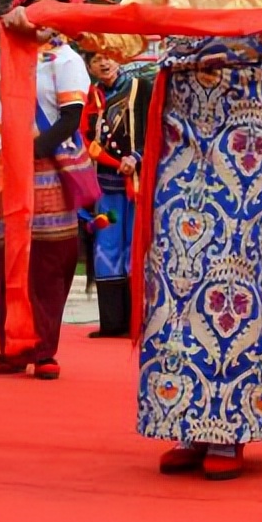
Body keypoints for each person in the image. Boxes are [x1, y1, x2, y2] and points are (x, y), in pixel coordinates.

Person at [7, 0, 262, 480]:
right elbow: (128, 31)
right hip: (181, 116)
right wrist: (57, 23)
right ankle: (185, 419)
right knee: (178, 261)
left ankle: (235, 422)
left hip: (246, 113)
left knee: (236, 261)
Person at [0, 0, 91, 381]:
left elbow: (71, 119)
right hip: (8, 167)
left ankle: (44, 350)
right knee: (9, 258)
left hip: (45, 168)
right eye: (31, 7)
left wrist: (32, 150)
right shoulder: (6, 52)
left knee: (47, 261)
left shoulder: (67, 59)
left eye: (48, 8)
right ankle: (12, 347)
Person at [81, 52, 151, 338]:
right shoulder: (90, 97)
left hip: (137, 183)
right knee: (106, 246)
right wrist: (111, 162)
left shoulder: (140, 87)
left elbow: (155, 128)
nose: (104, 63)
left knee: (136, 245)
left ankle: (139, 321)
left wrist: (136, 157)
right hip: (105, 188)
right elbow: (84, 136)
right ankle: (112, 322)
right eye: (96, 59)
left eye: (109, 56)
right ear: (89, 66)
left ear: (120, 59)